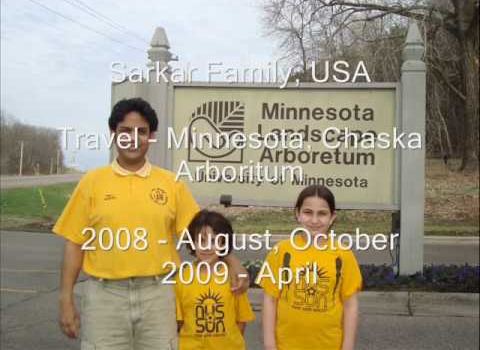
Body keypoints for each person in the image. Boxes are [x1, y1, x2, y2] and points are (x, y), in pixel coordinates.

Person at [53, 98, 249, 350]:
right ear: (113, 134)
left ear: (152, 136)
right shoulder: (92, 182)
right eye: (125, 131)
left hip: (158, 295)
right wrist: (65, 298)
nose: (133, 138)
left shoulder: (171, 183)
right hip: (104, 298)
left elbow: (203, 234)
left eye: (141, 132)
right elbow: (74, 243)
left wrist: (233, 262)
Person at [258, 185, 362, 350]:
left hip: (329, 344)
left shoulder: (343, 255)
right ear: (297, 214)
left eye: (322, 213)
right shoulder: (281, 251)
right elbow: (270, 299)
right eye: (308, 212)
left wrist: (347, 346)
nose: (314, 220)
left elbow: (350, 303)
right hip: (286, 344)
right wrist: (270, 344)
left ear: (332, 217)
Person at [175, 210, 255, 350]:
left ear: (224, 243)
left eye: (214, 241)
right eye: (201, 241)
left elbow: (241, 319)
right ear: (192, 242)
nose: (206, 247)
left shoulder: (233, 277)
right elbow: (180, 321)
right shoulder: (183, 278)